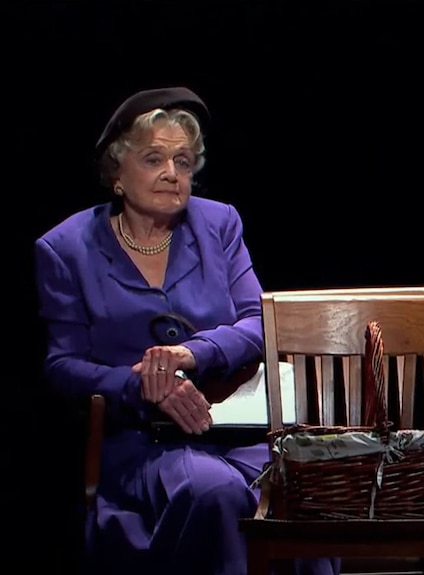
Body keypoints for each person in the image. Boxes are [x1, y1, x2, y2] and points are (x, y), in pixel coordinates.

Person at [34, 87, 341, 575]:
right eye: (153, 158)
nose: (171, 173)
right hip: (141, 441)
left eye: (183, 160)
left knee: (294, 489)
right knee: (213, 492)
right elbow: (62, 367)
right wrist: (142, 383)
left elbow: (259, 320)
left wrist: (191, 355)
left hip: (233, 427)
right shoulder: (65, 248)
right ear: (117, 173)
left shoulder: (218, 224)